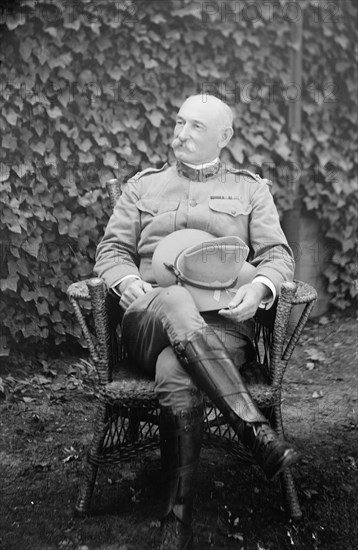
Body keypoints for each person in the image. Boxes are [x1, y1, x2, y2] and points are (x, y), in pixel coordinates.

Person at [94, 94, 297, 550]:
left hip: (223, 327)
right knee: (175, 301)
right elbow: (111, 251)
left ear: (224, 137)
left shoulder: (250, 190)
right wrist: (125, 281)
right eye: (179, 122)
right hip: (150, 317)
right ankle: (255, 430)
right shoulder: (143, 187)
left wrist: (260, 287)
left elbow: (278, 256)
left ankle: (175, 521)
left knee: (175, 370)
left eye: (195, 128)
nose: (180, 134)